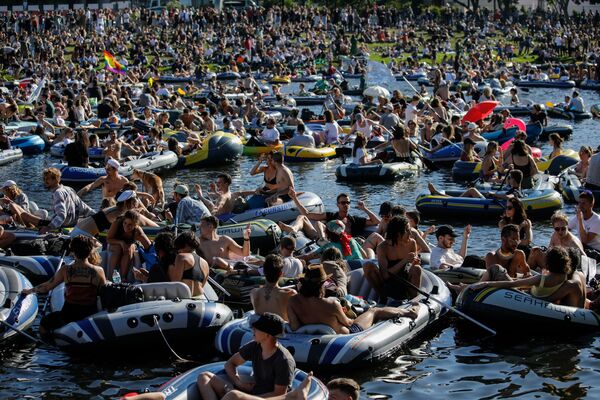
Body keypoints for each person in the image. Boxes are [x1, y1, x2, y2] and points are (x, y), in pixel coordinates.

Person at [287, 264, 420, 334]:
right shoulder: (332, 303)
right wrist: (353, 314)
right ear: (323, 284)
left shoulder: (293, 301)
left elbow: (294, 326)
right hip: (346, 335)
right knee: (374, 311)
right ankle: (410, 312)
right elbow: (349, 323)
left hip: (310, 338)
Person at [196, 312, 295, 399]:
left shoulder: (284, 360)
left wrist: (246, 397)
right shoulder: (255, 346)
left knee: (233, 395)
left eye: (257, 328)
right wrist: (239, 383)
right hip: (251, 393)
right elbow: (230, 363)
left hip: (263, 399)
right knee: (204, 377)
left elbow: (279, 395)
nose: (253, 329)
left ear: (267, 335)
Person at [22, 235, 106, 336]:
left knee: (44, 322)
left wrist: (29, 291)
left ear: (73, 251)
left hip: (68, 315)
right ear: (90, 251)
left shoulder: (66, 270)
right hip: (89, 313)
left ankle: (48, 341)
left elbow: (47, 287)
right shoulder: (98, 271)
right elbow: (104, 292)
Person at [470, 247, 585, 308]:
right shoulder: (566, 281)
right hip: (536, 300)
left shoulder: (541, 279)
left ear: (548, 264)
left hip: (528, 300)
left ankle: (468, 289)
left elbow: (511, 285)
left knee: (495, 269)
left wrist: (485, 284)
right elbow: (551, 298)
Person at [18, 168, 95, 234]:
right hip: (73, 223)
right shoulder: (69, 189)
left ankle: (29, 230)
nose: (45, 181)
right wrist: (98, 216)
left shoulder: (57, 193)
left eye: (47, 178)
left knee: (24, 215)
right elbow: (84, 207)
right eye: (44, 179)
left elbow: (61, 215)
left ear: (55, 179)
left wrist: (48, 228)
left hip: (63, 226)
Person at [280, 191, 379, 240]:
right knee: (302, 217)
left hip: (343, 244)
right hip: (324, 238)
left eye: (348, 203)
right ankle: (294, 229)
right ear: (338, 204)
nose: (346, 205)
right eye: (343, 203)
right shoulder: (331, 215)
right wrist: (294, 198)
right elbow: (307, 214)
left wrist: (364, 209)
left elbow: (376, 222)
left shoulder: (355, 220)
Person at [370, 216, 423, 300]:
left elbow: (411, 268)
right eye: (407, 230)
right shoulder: (383, 247)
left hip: (405, 279)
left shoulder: (412, 243)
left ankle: (414, 300)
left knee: (417, 268)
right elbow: (385, 276)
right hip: (389, 280)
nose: (410, 233)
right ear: (398, 233)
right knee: (367, 266)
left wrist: (414, 263)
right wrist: (404, 260)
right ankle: (383, 298)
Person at [106, 210, 152, 280]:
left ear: (136, 225)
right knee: (118, 249)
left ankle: (123, 278)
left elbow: (149, 247)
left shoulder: (137, 231)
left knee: (128, 248)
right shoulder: (117, 223)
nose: (126, 226)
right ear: (123, 220)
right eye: (125, 223)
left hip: (130, 246)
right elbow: (108, 239)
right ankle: (110, 277)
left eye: (130, 225)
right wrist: (121, 243)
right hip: (114, 244)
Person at [250, 254, 297, 321]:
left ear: (263, 271)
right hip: (279, 330)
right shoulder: (290, 293)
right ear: (281, 273)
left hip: (260, 330)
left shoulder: (254, 292)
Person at [169, 231, 210, 296]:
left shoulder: (181, 257)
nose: (178, 251)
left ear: (185, 245)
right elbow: (202, 285)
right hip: (200, 299)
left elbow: (175, 284)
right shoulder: (205, 263)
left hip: (185, 300)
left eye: (178, 247)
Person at [568, 191, 600, 260]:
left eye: (583, 203)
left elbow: (585, 241)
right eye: (579, 203)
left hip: (595, 252)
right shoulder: (577, 217)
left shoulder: (597, 220)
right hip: (582, 248)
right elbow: (565, 229)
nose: (580, 206)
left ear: (591, 204)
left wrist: (580, 220)